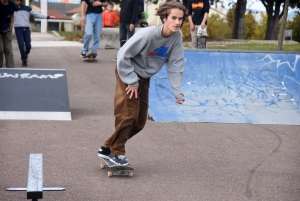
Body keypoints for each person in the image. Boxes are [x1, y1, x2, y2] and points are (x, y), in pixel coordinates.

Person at [98, 1, 188, 166]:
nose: (177, 22)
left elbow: (175, 64)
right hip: (128, 71)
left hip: (144, 77)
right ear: (164, 17)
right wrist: (131, 80)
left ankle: (106, 148)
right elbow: (123, 55)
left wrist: (177, 92)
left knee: (139, 122)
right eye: (173, 18)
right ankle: (117, 152)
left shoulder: (176, 37)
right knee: (129, 114)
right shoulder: (147, 34)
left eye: (180, 19)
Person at [14, 0, 55, 67]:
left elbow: (37, 15)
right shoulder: (13, 8)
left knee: (28, 45)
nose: (16, 1)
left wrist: (48, 17)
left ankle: (26, 54)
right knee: (21, 45)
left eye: (18, 0)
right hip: (18, 29)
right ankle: (24, 60)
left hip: (26, 29)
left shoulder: (27, 8)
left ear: (21, 1)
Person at [0, 0, 18, 68]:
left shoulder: (11, 4)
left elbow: (12, 15)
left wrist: (11, 25)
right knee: (0, 49)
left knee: (8, 49)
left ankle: (11, 68)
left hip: (7, 28)